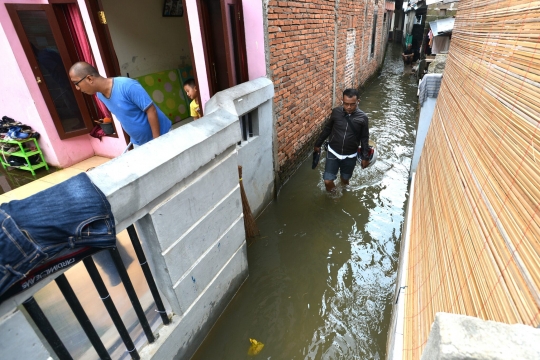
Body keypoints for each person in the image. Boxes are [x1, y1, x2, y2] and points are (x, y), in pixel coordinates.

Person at [69, 62, 172, 147]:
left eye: (76, 83)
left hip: (161, 137)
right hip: (139, 142)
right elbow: (126, 116)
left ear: (89, 79)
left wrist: (157, 141)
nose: (77, 88)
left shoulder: (127, 85)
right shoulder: (100, 95)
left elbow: (151, 110)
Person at [314, 89, 370, 192]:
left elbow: (364, 138)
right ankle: (335, 197)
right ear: (342, 101)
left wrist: (365, 157)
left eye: (352, 104)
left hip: (350, 155)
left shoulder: (363, 118)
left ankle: (344, 194)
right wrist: (317, 144)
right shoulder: (336, 112)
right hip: (333, 152)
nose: (348, 107)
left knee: (345, 180)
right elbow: (327, 129)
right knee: (327, 181)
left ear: (358, 101)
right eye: (346, 104)